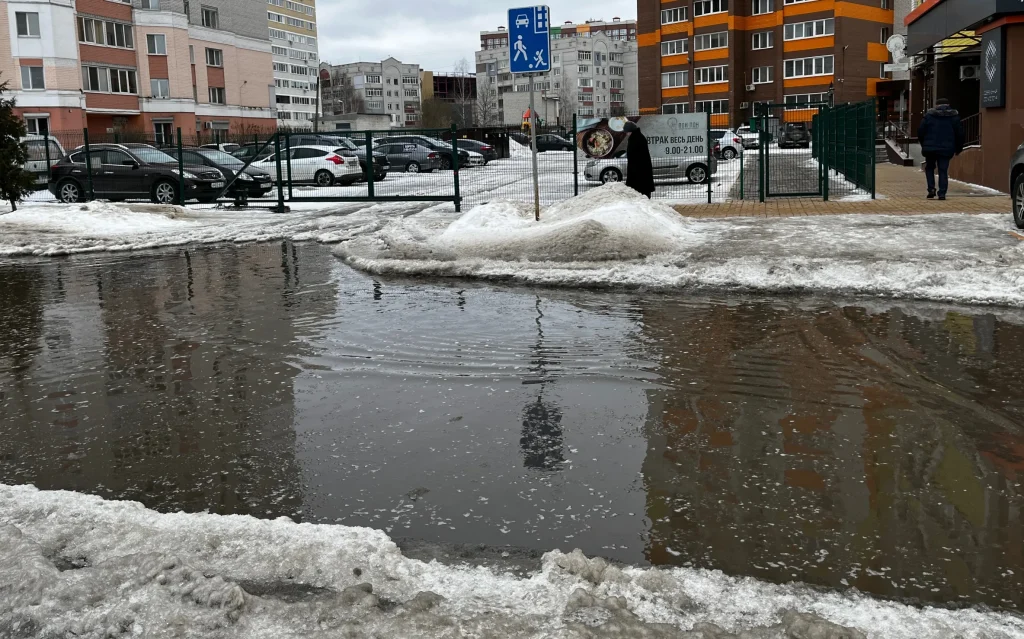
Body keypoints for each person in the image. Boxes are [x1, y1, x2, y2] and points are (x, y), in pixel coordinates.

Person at [917, 97, 964, 200]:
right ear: (948, 105)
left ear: (936, 105)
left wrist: (924, 144)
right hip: (946, 148)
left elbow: (921, 131)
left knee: (929, 168)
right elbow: (959, 133)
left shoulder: (929, 116)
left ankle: (931, 189)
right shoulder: (954, 116)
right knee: (943, 170)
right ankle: (942, 193)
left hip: (930, 148)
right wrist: (958, 148)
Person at [623, 121, 654, 198]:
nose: (626, 134)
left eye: (627, 132)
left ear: (630, 131)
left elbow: (633, 155)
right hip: (642, 168)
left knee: (639, 189)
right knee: (644, 188)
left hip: (638, 169)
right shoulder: (638, 137)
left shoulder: (634, 139)